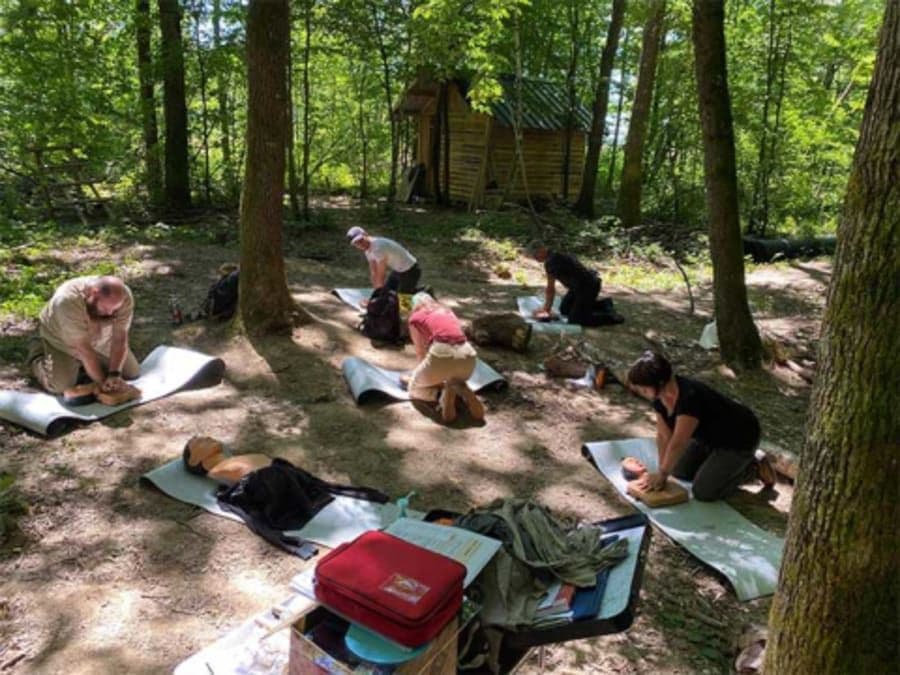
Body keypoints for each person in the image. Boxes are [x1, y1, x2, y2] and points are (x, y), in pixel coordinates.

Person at [626, 351, 774, 501]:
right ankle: (716, 465)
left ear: (660, 383)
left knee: (704, 492)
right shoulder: (659, 397)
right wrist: (661, 471)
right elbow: (664, 435)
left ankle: (754, 467)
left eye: (644, 388)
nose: (641, 392)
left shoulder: (689, 397)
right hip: (708, 437)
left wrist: (663, 474)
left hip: (738, 438)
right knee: (678, 470)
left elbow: (678, 442)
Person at [27, 276, 139, 395]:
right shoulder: (67, 301)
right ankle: (38, 351)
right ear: (94, 293)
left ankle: (85, 367)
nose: (110, 313)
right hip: (63, 342)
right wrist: (102, 383)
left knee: (131, 373)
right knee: (60, 387)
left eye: (114, 310)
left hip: (101, 339)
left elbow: (120, 338)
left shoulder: (123, 297)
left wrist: (115, 374)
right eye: (106, 308)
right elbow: (84, 349)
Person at [406, 292, 485, 423]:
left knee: (413, 389)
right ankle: (462, 391)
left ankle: (443, 394)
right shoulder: (448, 311)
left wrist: (422, 377)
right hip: (468, 355)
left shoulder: (414, 318)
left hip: (442, 353)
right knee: (451, 374)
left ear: (415, 306)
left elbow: (420, 352)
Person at [528, 242, 612, 327]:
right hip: (576, 287)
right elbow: (550, 287)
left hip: (589, 287)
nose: (535, 258)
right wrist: (546, 310)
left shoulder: (552, 262)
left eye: (535, 255)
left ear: (542, 250)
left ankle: (611, 317)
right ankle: (604, 304)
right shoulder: (554, 256)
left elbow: (550, 289)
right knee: (564, 310)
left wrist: (546, 310)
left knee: (575, 320)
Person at [348, 229, 421, 293]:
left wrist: (379, 294)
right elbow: (373, 272)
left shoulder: (378, 246)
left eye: (361, 240)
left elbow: (381, 273)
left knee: (403, 303)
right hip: (398, 271)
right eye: (356, 243)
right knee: (388, 293)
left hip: (411, 270)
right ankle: (412, 290)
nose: (360, 245)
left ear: (366, 235)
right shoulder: (367, 250)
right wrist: (376, 294)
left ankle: (423, 292)